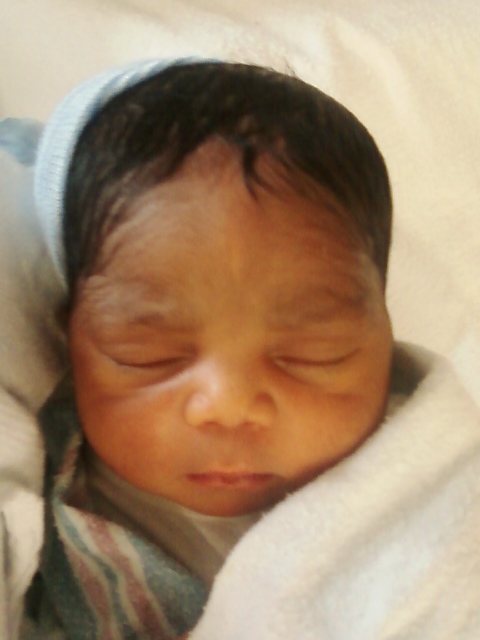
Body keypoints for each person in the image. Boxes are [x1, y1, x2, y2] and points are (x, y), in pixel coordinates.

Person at [17, 59, 480, 638]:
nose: (229, 406)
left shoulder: (433, 485)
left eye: (313, 352)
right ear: (70, 338)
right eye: (147, 353)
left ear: (384, 332)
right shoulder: (42, 489)